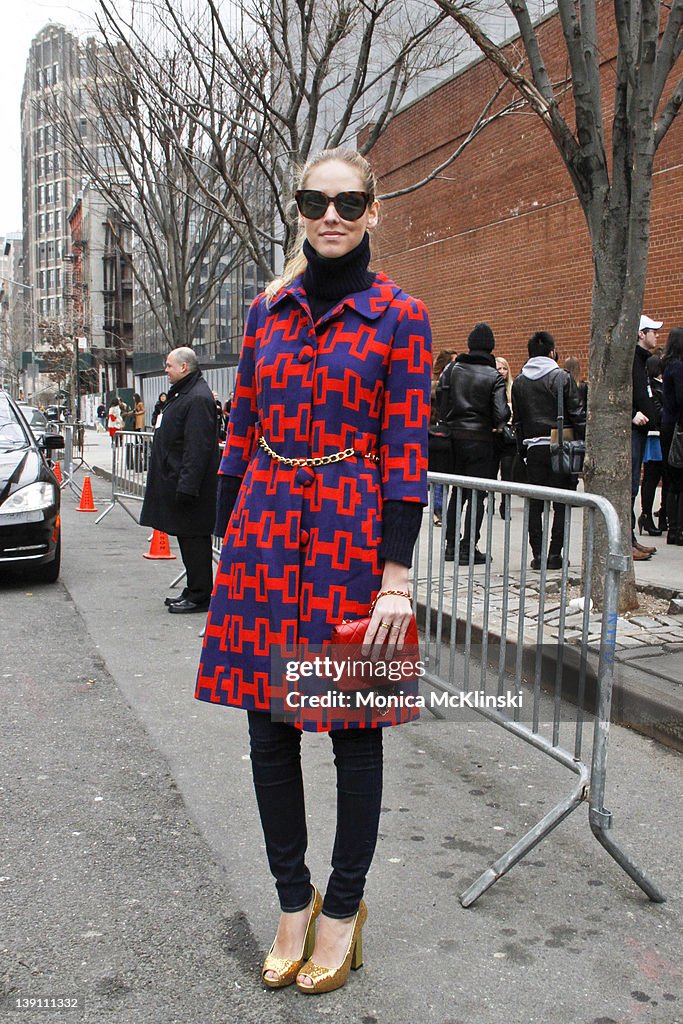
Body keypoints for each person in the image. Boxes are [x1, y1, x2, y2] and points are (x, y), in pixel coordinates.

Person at [194, 148, 431, 994]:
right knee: (268, 730)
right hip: (262, 530)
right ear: (297, 210)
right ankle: (292, 902)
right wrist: (224, 542)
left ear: (372, 210)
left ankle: (344, 910)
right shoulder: (267, 312)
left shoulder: (401, 316)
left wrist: (394, 574)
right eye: (314, 200)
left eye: (349, 201)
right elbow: (239, 434)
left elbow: (408, 454)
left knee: (352, 732)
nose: (331, 214)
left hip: (349, 536)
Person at [140, 349, 220, 612]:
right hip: (179, 481)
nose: (166, 370)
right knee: (187, 540)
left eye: (169, 365)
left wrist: (187, 486)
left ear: (184, 367)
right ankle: (194, 588)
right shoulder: (185, 393)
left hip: (191, 488)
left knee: (195, 540)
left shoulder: (197, 398)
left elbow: (197, 448)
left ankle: (200, 595)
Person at [512, 330, 585, 569]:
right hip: (560, 443)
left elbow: (519, 422)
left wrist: (521, 450)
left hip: (533, 447)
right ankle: (555, 554)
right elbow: (577, 414)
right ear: (552, 351)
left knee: (535, 503)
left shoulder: (520, 381)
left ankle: (538, 555)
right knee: (561, 501)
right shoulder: (562, 378)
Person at [441, 323, 509, 564]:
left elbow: (441, 398)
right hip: (482, 440)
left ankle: (450, 545)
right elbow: (501, 414)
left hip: (454, 439)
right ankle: (468, 546)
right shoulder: (493, 376)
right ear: (491, 348)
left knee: (456, 493)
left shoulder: (452, 370)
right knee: (477, 496)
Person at [631, 314, 663, 559]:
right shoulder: (632, 361)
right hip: (632, 431)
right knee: (630, 486)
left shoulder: (642, 361)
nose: (657, 335)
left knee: (634, 485)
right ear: (641, 334)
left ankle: (630, 538)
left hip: (642, 431)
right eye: (653, 331)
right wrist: (633, 414)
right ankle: (626, 541)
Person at [638, 354, 665, 537]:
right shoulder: (654, 387)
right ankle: (646, 515)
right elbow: (658, 411)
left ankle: (653, 515)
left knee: (653, 478)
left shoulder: (655, 386)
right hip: (655, 436)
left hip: (656, 436)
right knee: (651, 477)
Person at [660, 327, 683, 544]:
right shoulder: (678, 367)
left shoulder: (669, 366)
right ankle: (677, 529)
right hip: (677, 427)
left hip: (669, 425)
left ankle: (672, 527)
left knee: (672, 478)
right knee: (678, 478)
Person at [428, 350, 453, 525]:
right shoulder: (438, 387)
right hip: (433, 435)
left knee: (439, 479)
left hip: (442, 435)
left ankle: (438, 510)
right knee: (438, 478)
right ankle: (438, 511)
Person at [493, 355, 517, 518]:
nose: (502, 371)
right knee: (492, 471)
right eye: (498, 368)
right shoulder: (492, 387)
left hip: (510, 436)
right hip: (495, 435)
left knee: (507, 473)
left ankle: (505, 504)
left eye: (504, 368)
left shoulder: (513, 388)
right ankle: (491, 501)